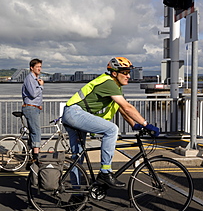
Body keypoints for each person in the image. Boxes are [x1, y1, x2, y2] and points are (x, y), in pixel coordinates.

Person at [62, 57, 160, 188]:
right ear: (114, 73)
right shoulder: (109, 83)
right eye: (125, 72)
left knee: (77, 157)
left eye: (129, 72)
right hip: (75, 113)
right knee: (112, 129)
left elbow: (121, 108)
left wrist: (134, 125)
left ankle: (76, 195)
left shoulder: (115, 86)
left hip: (72, 114)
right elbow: (127, 107)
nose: (128, 76)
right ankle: (105, 172)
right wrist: (146, 124)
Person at [22, 58, 44, 162]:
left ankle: (27, 154)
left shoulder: (35, 79)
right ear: (32, 68)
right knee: (36, 131)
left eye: (40, 67)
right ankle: (36, 156)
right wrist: (41, 86)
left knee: (33, 131)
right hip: (30, 107)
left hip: (34, 108)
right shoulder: (29, 78)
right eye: (37, 67)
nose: (39, 69)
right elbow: (33, 94)